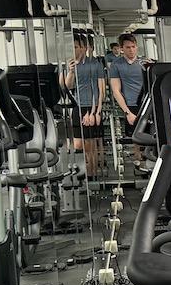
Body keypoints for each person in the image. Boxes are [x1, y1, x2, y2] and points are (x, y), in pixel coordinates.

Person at [64, 34, 108, 177]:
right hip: (78, 106)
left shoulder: (95, 64)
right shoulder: (71, 65)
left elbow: (101, 90)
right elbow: (68, 86)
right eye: (73, 47)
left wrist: (95, 112)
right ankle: (83, 173)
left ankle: (92, 174)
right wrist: (70, 72)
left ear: (84, 48)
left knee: (90, 146)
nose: (74, 50)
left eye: (77, 47)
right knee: (77, 145)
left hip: (92, 106)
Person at [109, 33, 149, 173]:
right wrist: (127, 112)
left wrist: (150, 68)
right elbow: (116, 90)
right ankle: (141, 167)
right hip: (131, 104)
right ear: (121, 48)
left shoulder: (144, 63)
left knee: (151, 136)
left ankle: (152, 166)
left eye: (133, 47)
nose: (131, 50)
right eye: (128, 47)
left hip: (148, 103)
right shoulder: (116, 65)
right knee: (137, 139)